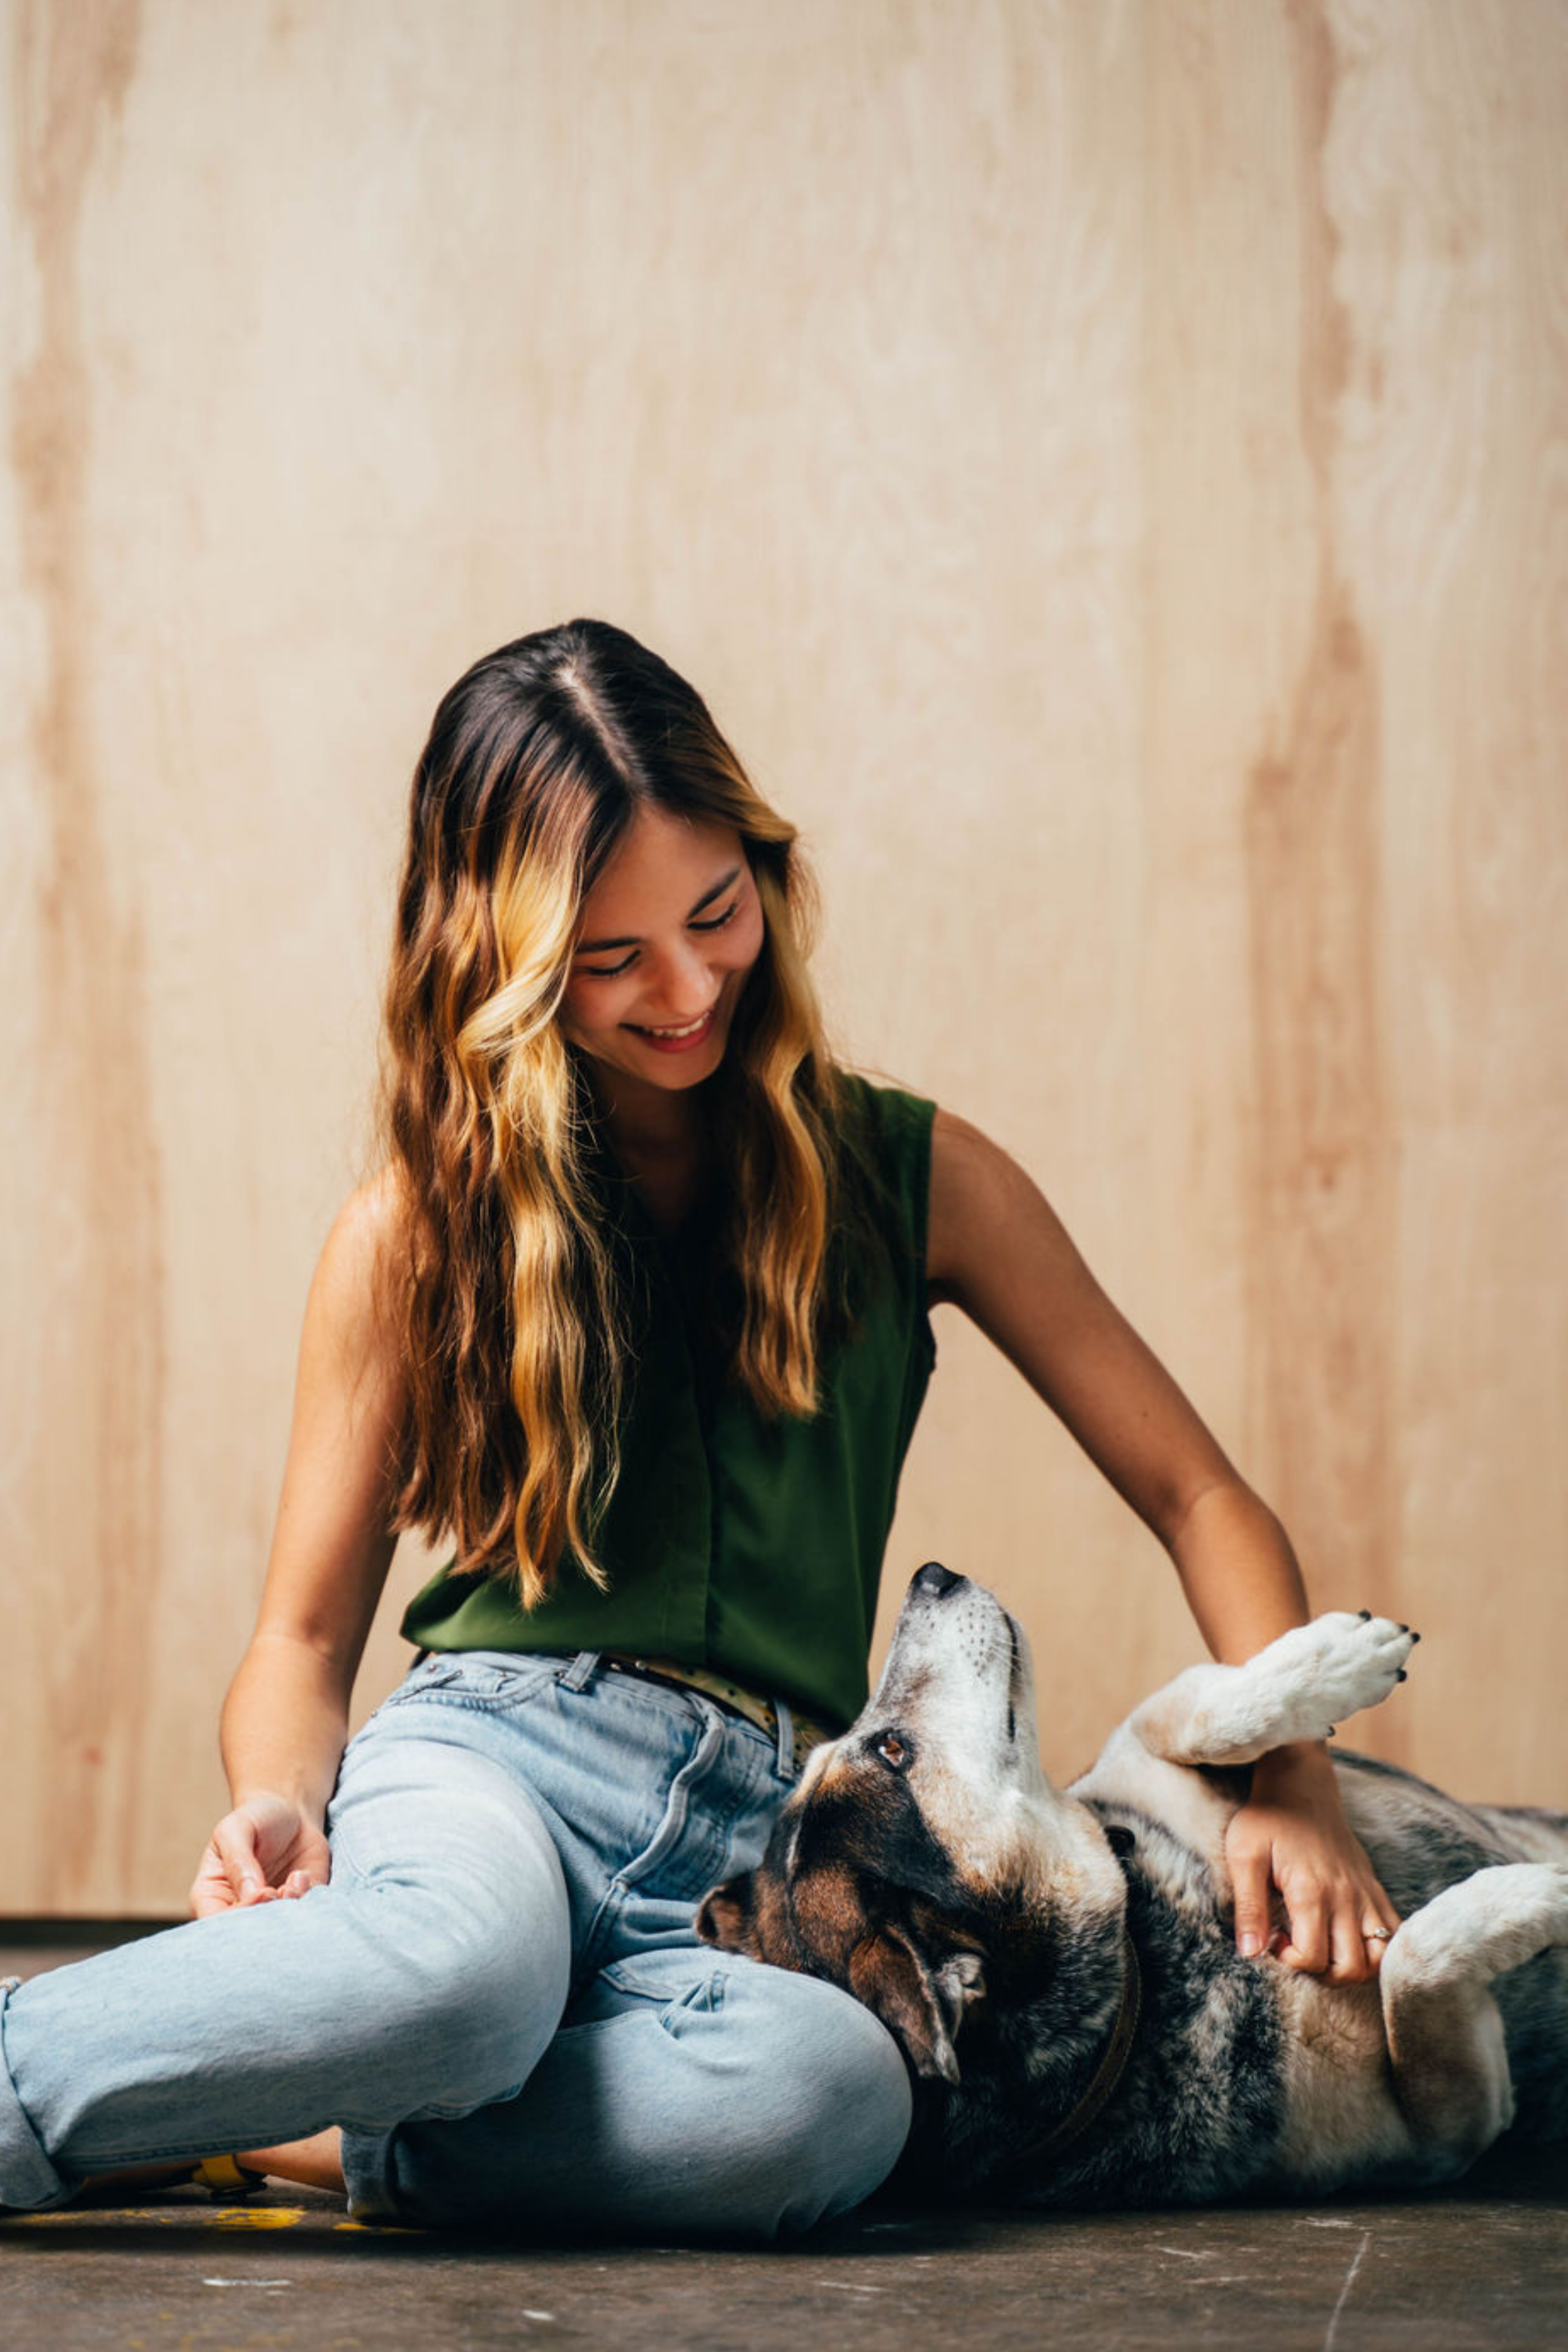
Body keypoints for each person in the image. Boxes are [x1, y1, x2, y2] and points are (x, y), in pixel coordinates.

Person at [0, 619, 1399, 2238]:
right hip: (494, 1767)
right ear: (501, 967)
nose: (684, 990)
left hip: (760, 1841)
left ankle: (291, 2122)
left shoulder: (919, 1177)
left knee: (832, 2103)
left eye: (713, 915)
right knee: (462, 1974)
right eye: (610, 961)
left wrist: (1291, 1772)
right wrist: (285, 1810)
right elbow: (306, 1638)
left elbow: (1199, 1490)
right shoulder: (412, 1232)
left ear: (761, 871)